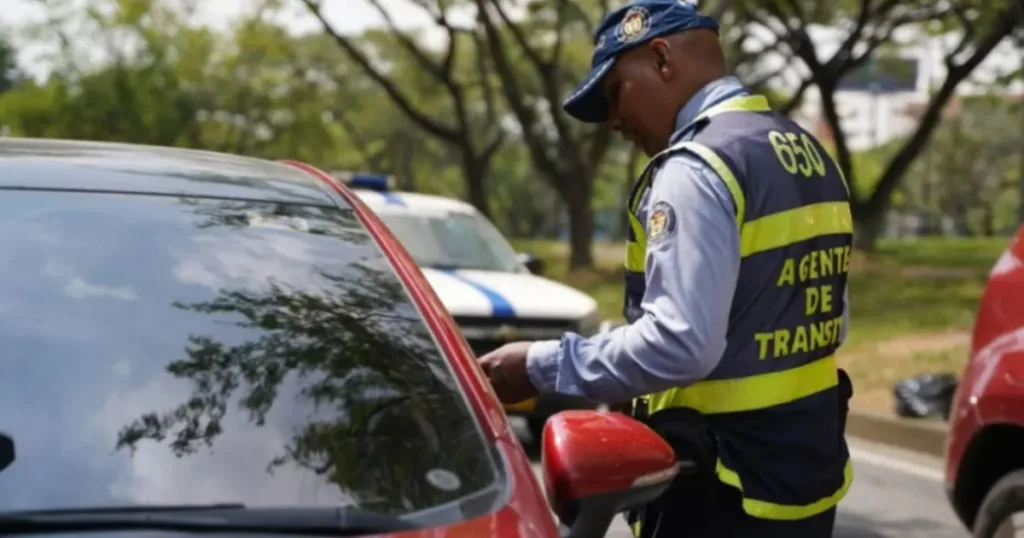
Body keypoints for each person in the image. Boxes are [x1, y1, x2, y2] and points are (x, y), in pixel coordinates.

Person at [476, 0, 855, 537]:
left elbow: (682, 344)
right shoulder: (805, 152)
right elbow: (825, 322)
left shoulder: (697, 165)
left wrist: (540, 365)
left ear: (660, 59)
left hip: (721, 489)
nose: (613, 122)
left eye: (614, 93)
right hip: (801, 484)